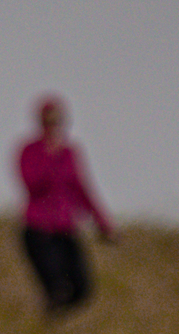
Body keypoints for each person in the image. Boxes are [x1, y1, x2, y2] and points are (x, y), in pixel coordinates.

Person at [15, 95, 113, 312]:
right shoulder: (29, 151)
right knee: (55, 285)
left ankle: (54, 323)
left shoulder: (70, 152)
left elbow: (81, 188)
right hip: (38, 229)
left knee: (83, 289)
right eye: (49, 121)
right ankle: (43, 327)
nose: (54, 126)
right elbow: (32, 184)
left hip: (65, 229)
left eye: (57, 120)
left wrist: (102, 222)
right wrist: (50, 159)